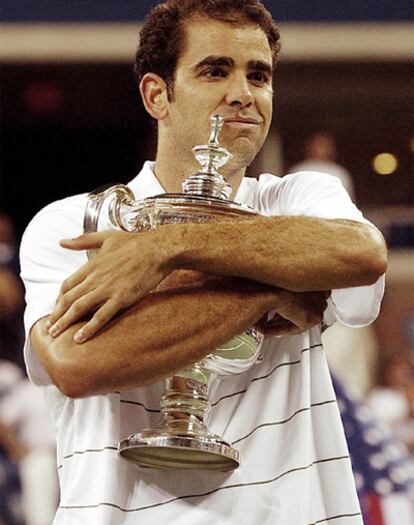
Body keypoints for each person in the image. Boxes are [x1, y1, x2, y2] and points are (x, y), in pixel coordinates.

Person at [20, 1, 387, 523]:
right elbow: (80, 365)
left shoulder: (299, 198)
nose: (243, 93)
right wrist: (279, 286)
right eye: (215, 70)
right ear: (157, 95)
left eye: (258, 75)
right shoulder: (77, 223)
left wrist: (169, 246)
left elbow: (361, 254)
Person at [290, 131, 355, 199]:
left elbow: (348, 200)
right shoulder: (298, 170)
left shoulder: (340, 172)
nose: (321, 149)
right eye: (317, 144)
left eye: (324, 145)